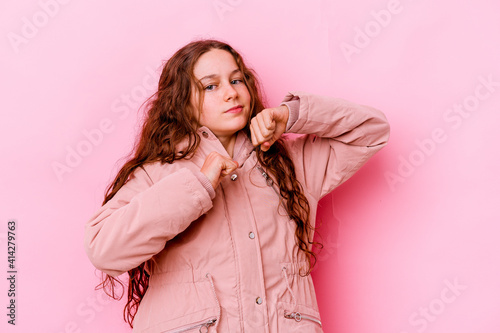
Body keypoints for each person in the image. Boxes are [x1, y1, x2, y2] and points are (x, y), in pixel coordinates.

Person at [84, 39, 390, 333]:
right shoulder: (159, 173)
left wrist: (291, 116)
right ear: (182, 103)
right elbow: (104, 250)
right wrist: (199, 184)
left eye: (237, 80)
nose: (231, 93)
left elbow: (371, 131)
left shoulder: (292, 165)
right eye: (211, 86)